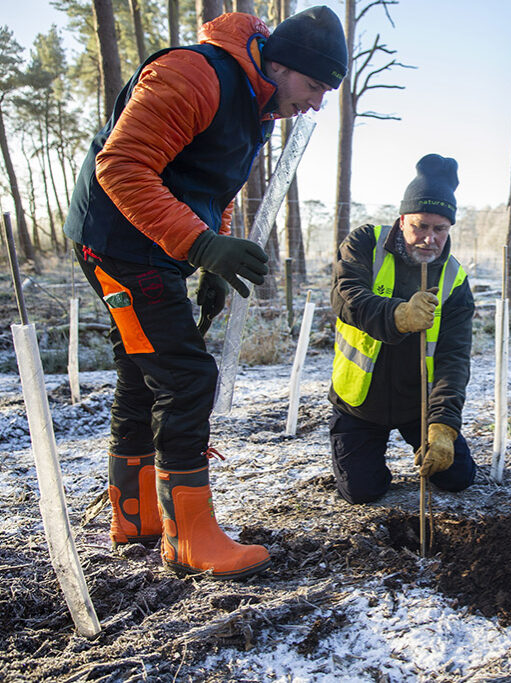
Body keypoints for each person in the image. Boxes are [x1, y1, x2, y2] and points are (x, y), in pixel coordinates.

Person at [63, 7, 347, 579]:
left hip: (152, 242)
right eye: (315, 87)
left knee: (143, 368)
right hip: (118, 239)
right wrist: (199, 246)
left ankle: (136, 515)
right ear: (281, 64)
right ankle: (188, 537)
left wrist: (212, 253)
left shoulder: (259, 105)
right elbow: (120, 166)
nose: (316, 104)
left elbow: (208, 183)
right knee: (186, 375)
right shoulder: (195, 75)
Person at [329, 154, 477, 504]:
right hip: (359, 403)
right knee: (361, 492)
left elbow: (453, 358)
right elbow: (346, 299)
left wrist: (442, 424)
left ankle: (432, 436)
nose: (429, 239)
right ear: (402, 219)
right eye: (420, 226)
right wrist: (398, 316)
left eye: (439, 229)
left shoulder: (455, 280)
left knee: (457, 478)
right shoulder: (365, 243)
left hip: (419, 405)